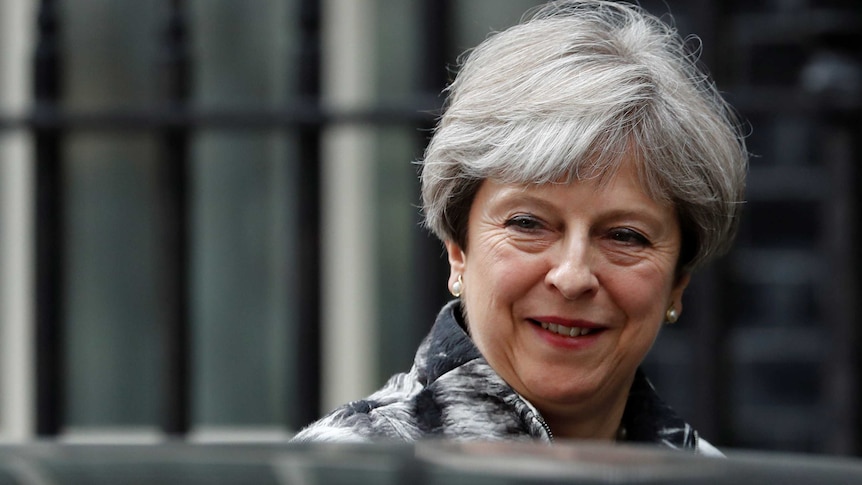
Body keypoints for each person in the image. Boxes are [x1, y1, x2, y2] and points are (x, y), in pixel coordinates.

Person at [292, 0, 746, 456]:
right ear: (458, 250)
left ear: (677, 283)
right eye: (528, 224)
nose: (571, 277)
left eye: (625, 236)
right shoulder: (348, 466)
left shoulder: (712, 474)